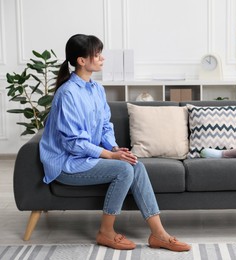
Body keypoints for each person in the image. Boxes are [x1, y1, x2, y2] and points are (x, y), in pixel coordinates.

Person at [39, 34, 191, 251]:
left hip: (87, 157)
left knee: (134, 165)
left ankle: (159, 234)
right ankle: (106, 232)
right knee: (123, 170)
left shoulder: (97, 89)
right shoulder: (68, 94)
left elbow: (104, 126)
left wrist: (113, 147)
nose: (102, 58)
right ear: (82, 61)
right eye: (97, 54)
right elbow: (72, 143)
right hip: (66, 163)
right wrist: (110, 156)